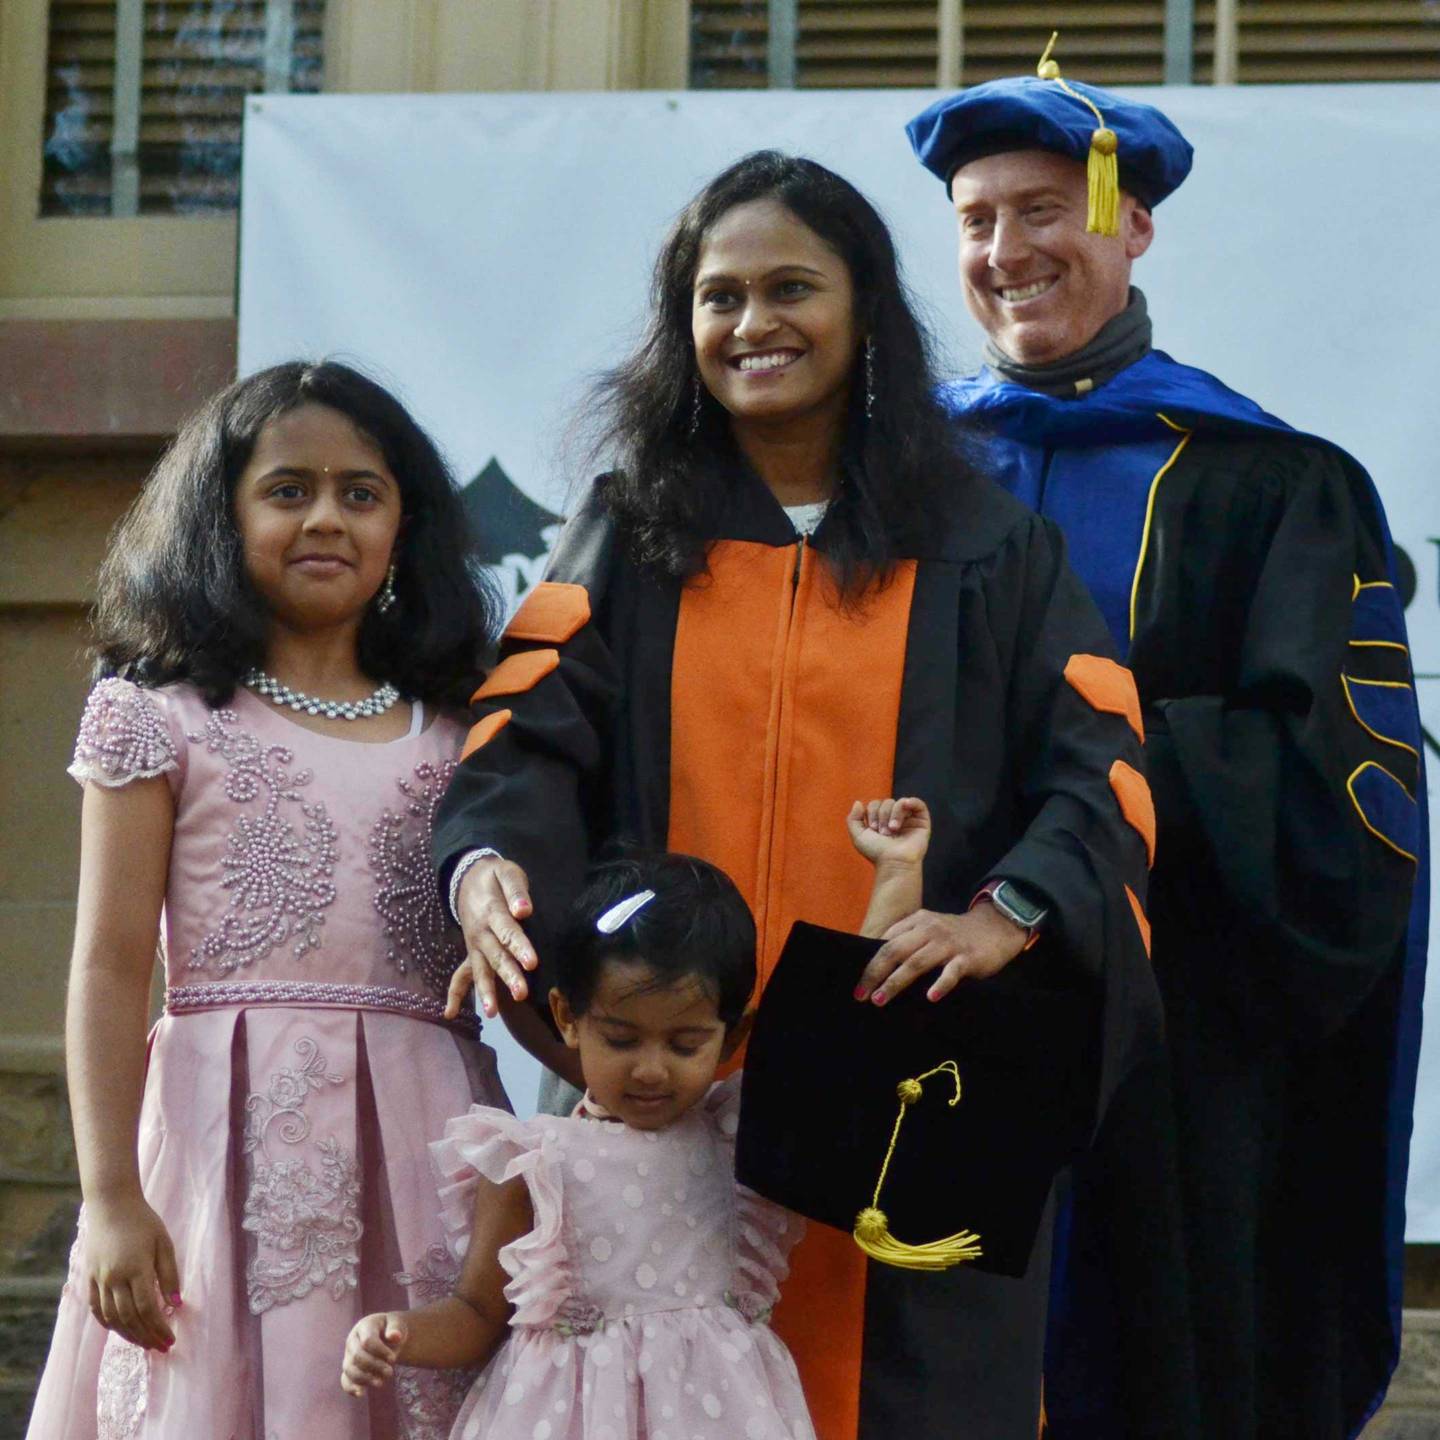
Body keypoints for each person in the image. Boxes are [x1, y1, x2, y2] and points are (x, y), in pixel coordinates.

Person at [433, 151, 1159, 1440]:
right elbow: (524, 736)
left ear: (865, 309)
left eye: (791, 289)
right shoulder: (638, 527)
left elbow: (1099, 760)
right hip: (667, 1070)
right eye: (719, 297)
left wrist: (1011, 907)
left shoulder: (987, 543)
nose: (753, 324)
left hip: (908, 1075)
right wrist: (487, 865)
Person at [906, 45, 1428, 1440]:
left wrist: (1070, 771)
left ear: (1132, 225)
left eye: (1042, 210)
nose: (1007, 250)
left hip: (1171, 1041)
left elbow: (1332, 778)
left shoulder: (1273, 483)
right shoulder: (898, 478)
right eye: (974, 221)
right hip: (931, 1011)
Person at [27, 361, 515, 1440]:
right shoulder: (159, 716)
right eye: (288, 490)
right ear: (223, 515)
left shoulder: (463, 728)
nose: (326, 518)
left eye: (361, 492)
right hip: (222, 1154)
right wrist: (109, 1197)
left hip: (427, 1140)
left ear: (404, 523)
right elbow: (109, 965)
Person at [342, 852, 818, 1440]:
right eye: (621, 1039)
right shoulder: (532, 1160)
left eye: (685, 1043)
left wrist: (897, 877)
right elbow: (478, 1313)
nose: (651, 1069)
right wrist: (400, 1333)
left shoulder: (735, 1139)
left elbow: (853, 1035)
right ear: (567, 1017)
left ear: (732, 1037)